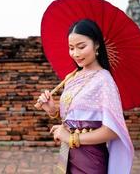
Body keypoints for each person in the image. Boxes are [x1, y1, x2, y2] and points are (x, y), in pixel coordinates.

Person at [37, 19, 134, 174]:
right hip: (66, 153)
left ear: (96, 45)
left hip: (90, 159)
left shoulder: (103, 80)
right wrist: (52, 110)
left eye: (81, 47)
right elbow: (71, 117)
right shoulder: (72, 77)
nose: (75, 53)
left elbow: (112, 131)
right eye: (71, 48)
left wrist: (71, 138)